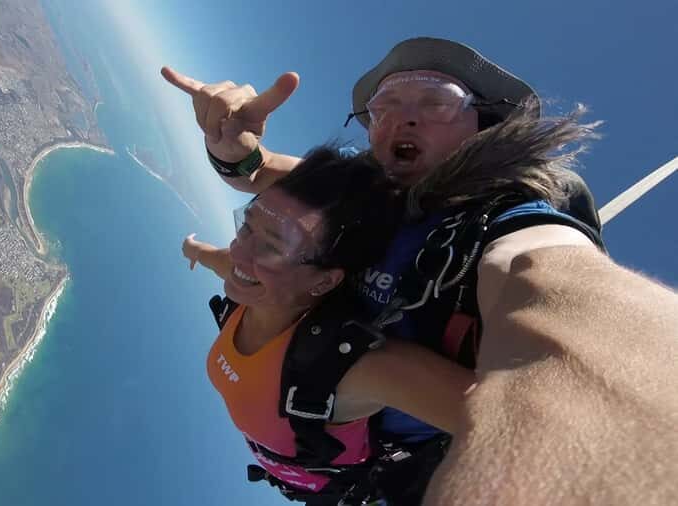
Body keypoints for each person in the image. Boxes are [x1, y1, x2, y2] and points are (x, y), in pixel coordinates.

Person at [167, 37, 620, 504]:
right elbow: (260, 175)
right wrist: (229, 150)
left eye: (436, 103)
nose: (403, 117)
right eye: (383, 107)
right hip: (315, 455)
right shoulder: (359, 198)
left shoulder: (503, 220)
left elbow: (548, 266)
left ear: (481, 125)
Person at [193, 147, 476, 505]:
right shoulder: (248, 290)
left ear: (324, 282)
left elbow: (517, 425)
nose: (239, 253)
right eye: (246, 226)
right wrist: (194, 251)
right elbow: (218, 260)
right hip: (299, 478)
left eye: (271, 248)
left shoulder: (352, 369)